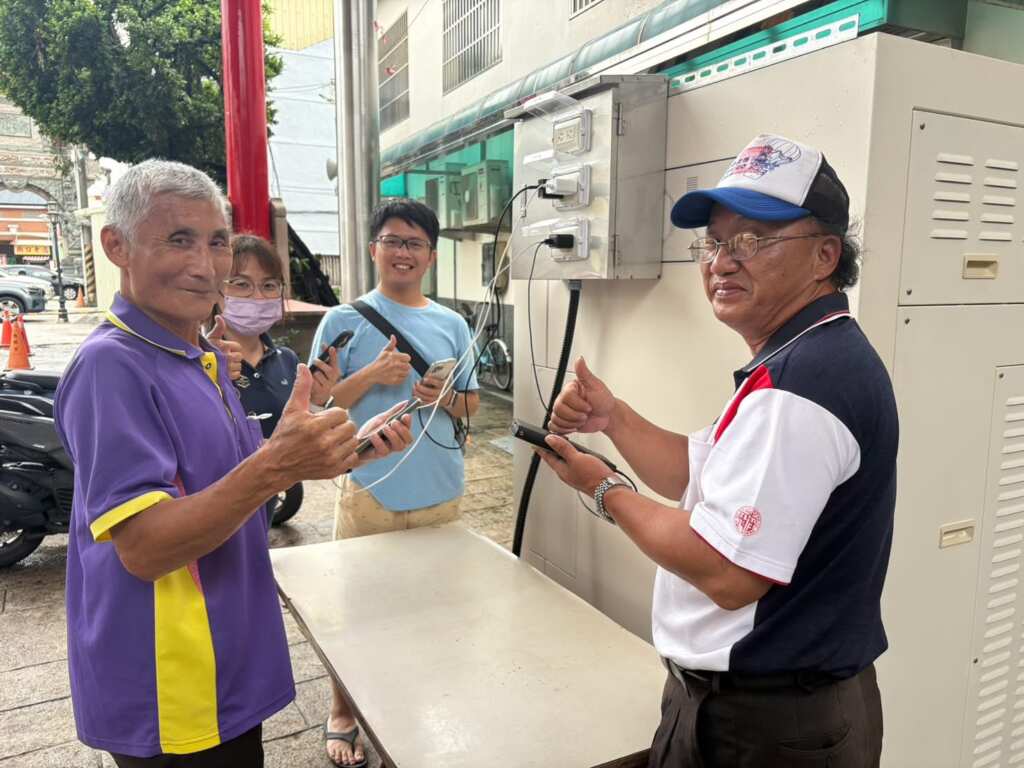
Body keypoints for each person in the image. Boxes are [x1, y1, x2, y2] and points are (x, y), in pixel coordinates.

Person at [538, 134, 898, 767]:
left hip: (769, 724)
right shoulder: (803, 356)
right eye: (713, 243)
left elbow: (727, 572)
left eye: (752, 241)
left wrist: (602, 487)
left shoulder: (804, 384)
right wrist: (612, 418)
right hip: (763, 705)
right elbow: (699, 475)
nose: (721, 263)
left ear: (825, 255)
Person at [53, 159, 413, 767]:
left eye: (217, 241)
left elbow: (234, 482)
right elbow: (145, 548)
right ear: (117, 246)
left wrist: (334, 452)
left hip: (226, 658)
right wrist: (275, 464)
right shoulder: (111, 366)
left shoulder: (200, 356)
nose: (205, 265)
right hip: (172, 678)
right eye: (179, 240)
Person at [310, 198, 480, 767]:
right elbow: (317, 406)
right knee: (358, 609)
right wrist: (372, 375)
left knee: (432, 610)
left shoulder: (453, 324)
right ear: (372, 249)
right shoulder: (342, 320)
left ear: (431, 255)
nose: (403, 252)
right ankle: (343, 711)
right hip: (370, 487)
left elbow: (471, 405)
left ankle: (411, 708)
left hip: (440, 488)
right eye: (392, 240)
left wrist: (445, 398)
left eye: (414, 243)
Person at [210, 235, 342, 524]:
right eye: (241, 284)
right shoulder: (195, 359)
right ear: (216, 289)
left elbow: (295, 436)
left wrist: (318, 401)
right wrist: (204, 377)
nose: (258, 297)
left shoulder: (286, 360)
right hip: (210, 514)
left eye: (269, 285)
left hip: (264, 513)